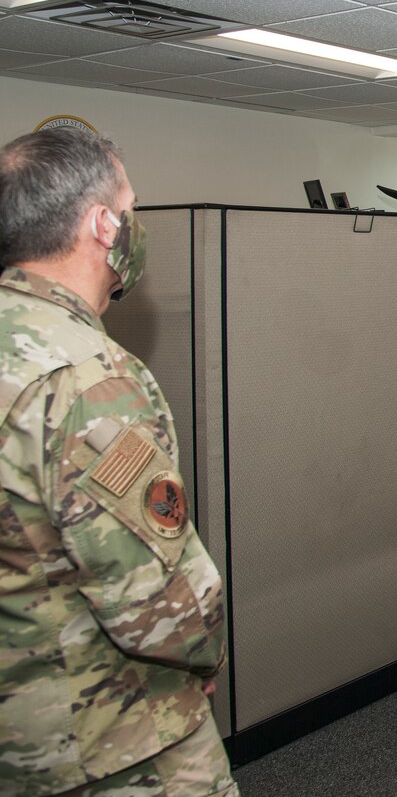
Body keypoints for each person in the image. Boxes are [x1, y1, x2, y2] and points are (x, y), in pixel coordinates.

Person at [0, 129, 237, 795]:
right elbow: (151, 600)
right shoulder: (86, 378)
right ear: (105, 225)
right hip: (102, 733)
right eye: (131, 207)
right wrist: (201, 652)